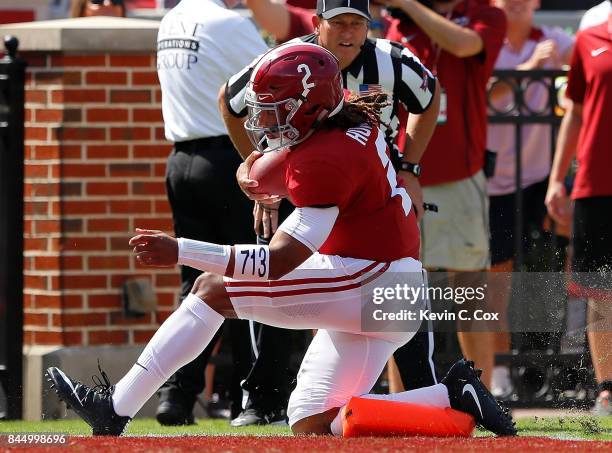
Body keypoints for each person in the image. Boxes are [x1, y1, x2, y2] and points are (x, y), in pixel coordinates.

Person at [46, 43, 515, 437]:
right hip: (387, 284)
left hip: (371, 283)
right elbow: (276, 163)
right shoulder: (343, 116)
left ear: (307, 104)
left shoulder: (328, 159)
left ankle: (115, 408)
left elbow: (278, 262)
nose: (265, 121)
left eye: (274, 110)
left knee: (211, 290)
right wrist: (260, 172)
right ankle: (450, 397)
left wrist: (181, 249)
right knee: (312, 425)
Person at [220, 0, 442, 424]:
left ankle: (424, 393)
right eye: (338, 22)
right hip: (306, 184)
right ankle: (262, 398)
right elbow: (230, 101)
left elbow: (429, 97)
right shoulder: (287, 59)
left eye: (356, 24)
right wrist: (259, 168)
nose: (348, 32)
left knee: (395, 288)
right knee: (275, 275)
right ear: (317, 23)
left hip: (371, 195)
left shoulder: (392, 60)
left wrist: (411, 168)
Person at [154, 0, 269, 425]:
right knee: (243, 279)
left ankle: (176, 396)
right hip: (226, 160)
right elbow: (270, 83)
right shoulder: (230, 23)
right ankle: (246, 397)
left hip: (180, 161)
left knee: (194, 284)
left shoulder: (171, 20)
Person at [380, 0, 506, 387]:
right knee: (400, 294)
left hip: (459, 175)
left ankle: (483, 396)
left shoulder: (487, 14)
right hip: (404, 175)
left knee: (471, 293)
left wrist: (410, 6)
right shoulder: (399, 25)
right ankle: (403, 402)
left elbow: (464, 45)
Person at [485, 0, 574, 398]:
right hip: (492, 184)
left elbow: (593, 68)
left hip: (540, 180)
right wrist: (531, 69)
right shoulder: (485, 40)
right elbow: (483, 91)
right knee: (496, 279)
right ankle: (498, 372)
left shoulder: (554, 40)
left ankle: (567, 365)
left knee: (567, 263)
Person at [545, 12, 612, 417]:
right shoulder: (590, 37)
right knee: (601, 290)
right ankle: (608, 390)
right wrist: (557, 179)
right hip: (597, 182)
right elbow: (575, 113)